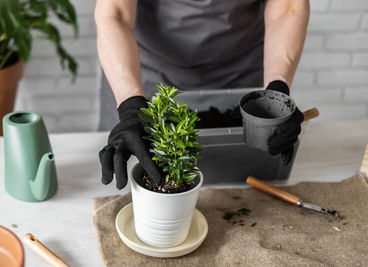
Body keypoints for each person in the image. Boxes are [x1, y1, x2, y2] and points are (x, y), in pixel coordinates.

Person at [95, 0, 310, 189]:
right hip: (142, 77)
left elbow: (288, 7)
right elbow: (115, 13)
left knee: (238, 183)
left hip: (239, 74)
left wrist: (276, 90)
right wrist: (131, 106)